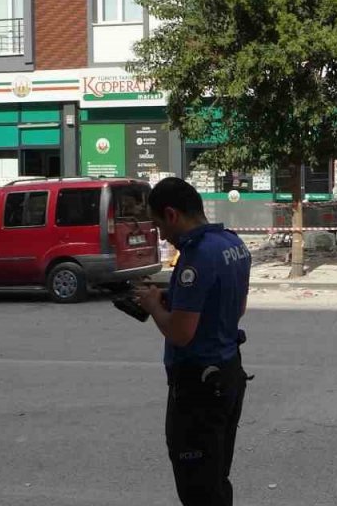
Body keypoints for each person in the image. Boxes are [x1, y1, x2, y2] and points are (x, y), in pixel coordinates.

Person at [135, 177, 251, 506]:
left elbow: (180, 333)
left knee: (198, 486)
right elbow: (235, 307)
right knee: (216, 477)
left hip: (198, 388)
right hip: (228, 375)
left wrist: (154, 305)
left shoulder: (196, 256)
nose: (161, 235)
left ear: (171, 214)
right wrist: (177, 299)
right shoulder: (232, 244)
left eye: (158, 225)